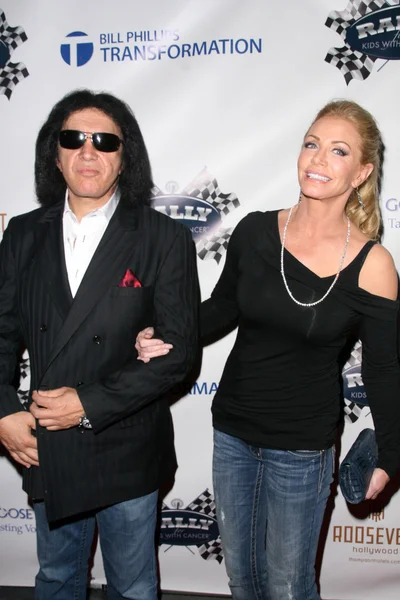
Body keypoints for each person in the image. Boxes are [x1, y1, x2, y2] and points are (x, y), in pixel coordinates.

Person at [136, 100, 400, 600]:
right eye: (311, 144)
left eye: (338, 151)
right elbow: (220, 308)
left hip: (301, 448)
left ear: (362, 172)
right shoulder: (257, 231)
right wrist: (166, 331)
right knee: (244, 581)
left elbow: (385, 370)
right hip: (233, 431)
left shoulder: (373, 264)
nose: (318, 159)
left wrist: (392, 452)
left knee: (288, 586)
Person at [0, 89, 199, 600]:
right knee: (56, 579)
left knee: (133, 586)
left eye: (105, 141)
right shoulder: (22, 234)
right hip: (50, 447)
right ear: (56, 153)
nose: (89, 152)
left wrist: (86, 404)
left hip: (126, 445)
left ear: (124, 156)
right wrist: (3, 410)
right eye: (74, 138)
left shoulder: (163, 238)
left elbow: (179, 355)